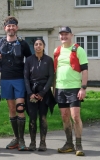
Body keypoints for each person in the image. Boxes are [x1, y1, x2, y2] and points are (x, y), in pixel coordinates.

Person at [0, 16, 32, 151]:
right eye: (8, 26)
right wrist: (2, 68)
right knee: (11, 109)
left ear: (17, 27)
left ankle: (22, 139)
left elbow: (29, 61)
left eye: (13, 25)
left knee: (20, 108)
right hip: (5, 80)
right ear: (5, 28)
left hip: (19, 79)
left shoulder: (23, 44)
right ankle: (16, 138)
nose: (11, 28)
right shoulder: (0, 43)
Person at [54, 26, 88, 156]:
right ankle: (69, 144)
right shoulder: (57, 50)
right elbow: (56, 71)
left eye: (66, 34)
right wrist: (54, 89)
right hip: (60, 88)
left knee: (75, 117)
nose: (64, 36)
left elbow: (84, 70)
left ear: (71, 35)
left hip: (74, 88)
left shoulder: (78, 50)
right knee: (64, 116)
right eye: (61, 34)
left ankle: (79, 145)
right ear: (59, 37)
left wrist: (83, 88)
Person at [24, 38, 54, 151]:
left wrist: (43, 92)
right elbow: (26, 77)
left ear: (44, 46)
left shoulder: (49, 60)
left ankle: (43, 142)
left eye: (40, 44)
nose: (38, 46)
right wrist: (30, 93)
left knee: (43, 117)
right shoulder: (29, 60)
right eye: (36, 44)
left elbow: (51, 76)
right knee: (32, 118)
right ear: (34, 47)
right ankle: (32, 142)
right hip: (31, 91)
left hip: (44, 92)